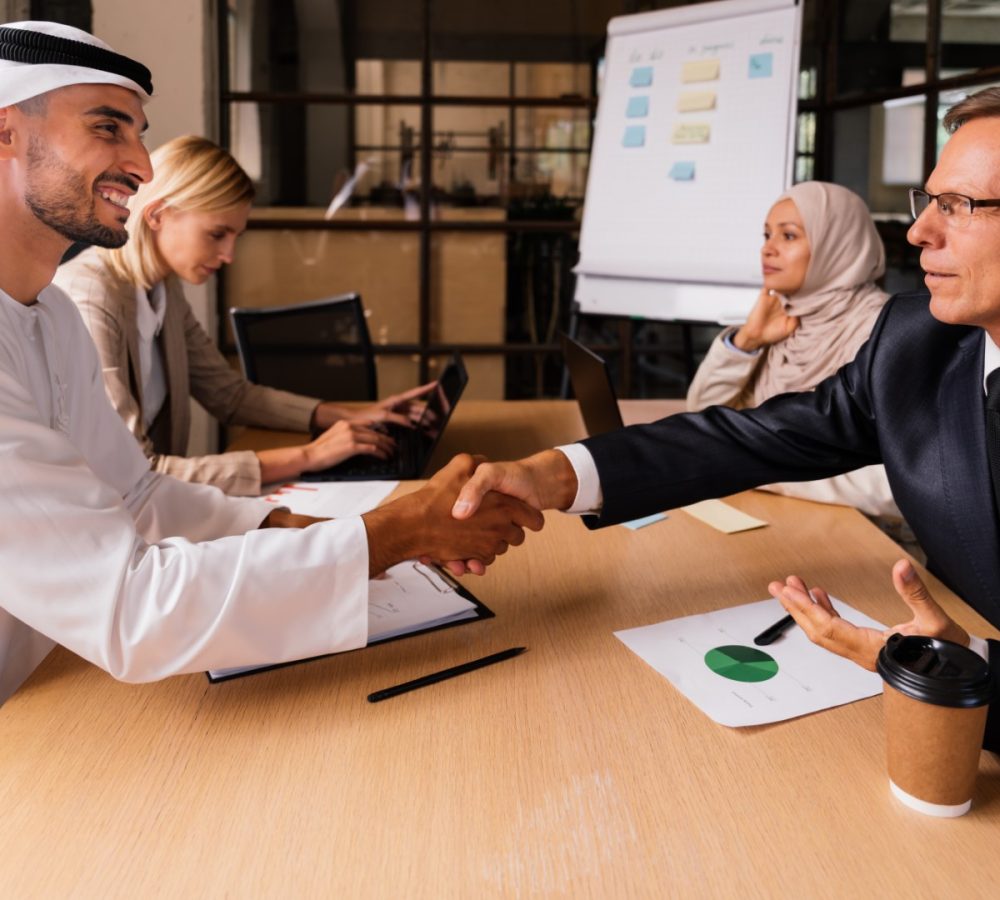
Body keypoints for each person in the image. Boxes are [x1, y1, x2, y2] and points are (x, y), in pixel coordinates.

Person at [0, 21, 541, 703]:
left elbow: (137, 495)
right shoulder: (71, 306)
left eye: (139, 132)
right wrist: (394, 532)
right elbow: (131, 608)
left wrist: (314, 533)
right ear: (6, 132)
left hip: (51, 679)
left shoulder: (49, 316)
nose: (140, 163)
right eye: (110, 128)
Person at [448, 87, 1000, 752]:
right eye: (928, 200)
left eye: (958, 207)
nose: (919, 232)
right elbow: (756, 434)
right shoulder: (919, 341)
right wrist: (560, 474)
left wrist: (960, 665)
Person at [54, 135, 431, 496]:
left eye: (235, 237)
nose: (229, 256)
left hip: (155, 510)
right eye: (217, 234)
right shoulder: (91, 299)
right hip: (103, 527)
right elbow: (135, 471)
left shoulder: (162, 288)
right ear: (157, 215)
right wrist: (309, 456)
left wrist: (343, 417)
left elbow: (228, 395)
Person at [687, 181, 899, 522]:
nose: (768, 249)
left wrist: (765, 468)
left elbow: (896, 484)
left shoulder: (885, 331)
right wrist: (746, 341)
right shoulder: (785, 317)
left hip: (863, 536)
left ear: (838, 245)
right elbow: (704, 418)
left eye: (788, 236)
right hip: (777, 514)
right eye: (766, 235)